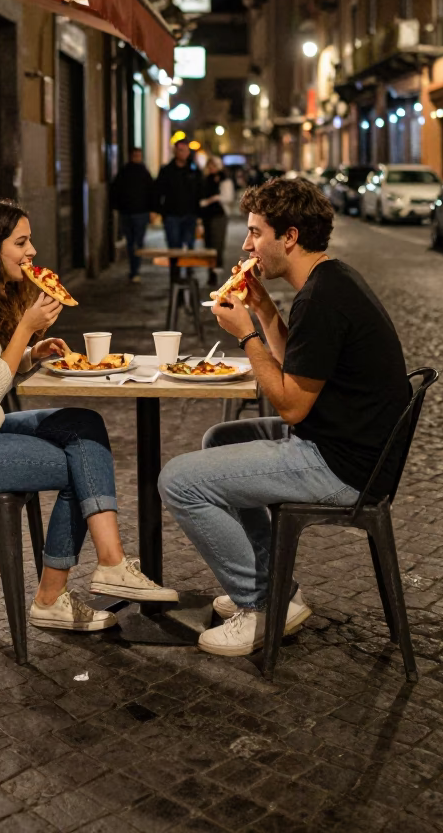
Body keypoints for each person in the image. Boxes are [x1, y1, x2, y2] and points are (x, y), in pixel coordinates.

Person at [158, 176, 409, 658]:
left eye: (255, 232)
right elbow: (299, 360)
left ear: (288, 236)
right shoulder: (329, 280)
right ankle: (273, 586)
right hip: (345, 443)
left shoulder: (322, 299)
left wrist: (246, 334)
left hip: (344, 466)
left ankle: (262, 606)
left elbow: (291, 404)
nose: (247, 244)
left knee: (179, 481)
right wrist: (263, 306)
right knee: (219, 438)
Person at [0, 198, 177, 633]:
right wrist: (27, 327)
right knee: (74, 466)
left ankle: (111, 563)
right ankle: (52, 598)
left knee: (84, 424)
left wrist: (30, 353)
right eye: (21, 242)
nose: (32, 253)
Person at [110, 146, 155, 283]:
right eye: (135, 154)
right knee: (131, 242)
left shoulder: (144, 172)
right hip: (127, 212)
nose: (137, 157)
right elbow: (116, 190)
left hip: (140, 213)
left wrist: (151, 210)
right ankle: (133, 269)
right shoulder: (124, 172)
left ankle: (135, 270)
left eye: (138, 155)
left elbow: (151, 192)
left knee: (138, 242)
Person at [155, 138, 200, 249]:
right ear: (175, 151)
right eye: (180, 150)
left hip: (190, 213)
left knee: (190, 245)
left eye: (186, 150)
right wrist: (159, 211)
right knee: (174, 246)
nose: (184, 153)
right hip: (171, 214)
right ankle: (175, 267)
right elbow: (158, 191)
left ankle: (189, 266)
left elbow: (199, 191)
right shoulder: (166, 170)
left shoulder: (194, 170)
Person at [198, 156, 235, 284]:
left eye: (214, 166)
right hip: (206, 216)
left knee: (217, 245)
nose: (211, 168)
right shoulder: (205, 179)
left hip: (219, 215)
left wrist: (214, 198)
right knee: (208, 244)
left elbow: (228, 197)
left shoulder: (224, 180)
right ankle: (210, 272)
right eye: (210, 166)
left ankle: (215, 271)